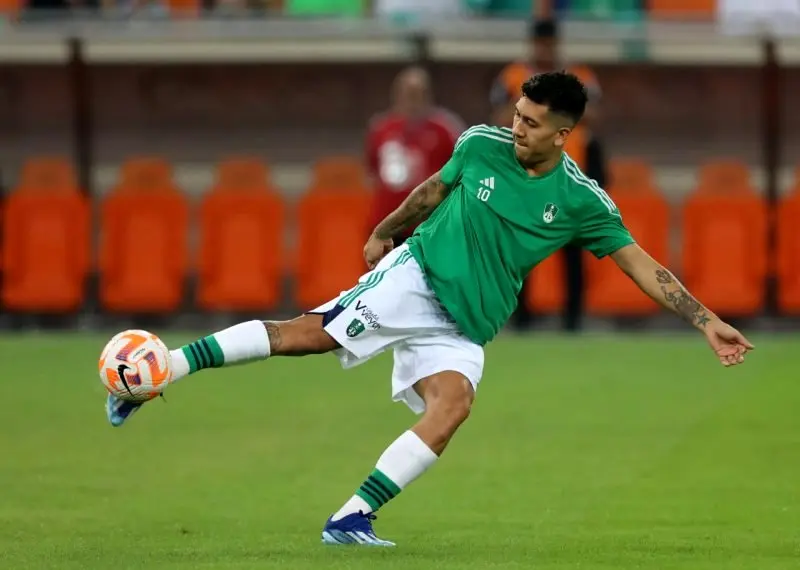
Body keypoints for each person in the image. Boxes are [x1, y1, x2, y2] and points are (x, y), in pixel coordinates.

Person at [105, 72, 754, 547]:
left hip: (467, 321)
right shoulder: (480, 145)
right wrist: (384, 231)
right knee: (310, 335)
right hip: (416, 277)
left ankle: (351, 518)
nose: (516, 126)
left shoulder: (582, 200)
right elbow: (431, 192)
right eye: (517, 114)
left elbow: (641, 264)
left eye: (531, 122)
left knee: (452, 408)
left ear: (563, 134)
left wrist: (706, 320)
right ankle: (161, 370)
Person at [492, 18, 606, 332]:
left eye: (549, 44)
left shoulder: (579, 75)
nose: (545, 49)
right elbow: (499, 117)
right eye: (540, 44)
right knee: (522, 248)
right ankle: (522, 318)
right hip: (526, 177)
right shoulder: (513, 75)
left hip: (568, 176)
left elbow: (595, 114)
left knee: (572, 251)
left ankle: (573, 318)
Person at [366, 66, 463, 247]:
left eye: (417, 93)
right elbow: (372, 170)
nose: (411, 100)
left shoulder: (444, 130)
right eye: (407, 93)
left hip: (427, 226)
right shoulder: (381, 128)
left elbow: (458, 172)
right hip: (387, 224)